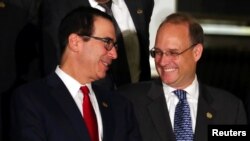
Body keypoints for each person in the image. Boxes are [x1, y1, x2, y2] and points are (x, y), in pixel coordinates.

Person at [10, 6, 141, 141]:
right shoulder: (31, 99)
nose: (114, 54)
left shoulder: (120, 105)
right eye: (107, 42)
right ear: (75, 42)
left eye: (115, 45)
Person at [117, 12, 247, 141]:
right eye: (158, 52)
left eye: (173, 53)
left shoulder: (230, 109)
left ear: (196, 52)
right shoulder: (128, 101)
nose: (162, 62)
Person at [41, 0, 154, 89]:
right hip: (88, 107)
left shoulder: (142, 3)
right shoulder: (57, 7)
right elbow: (53, 66)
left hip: (138, 103)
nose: (114, 54)